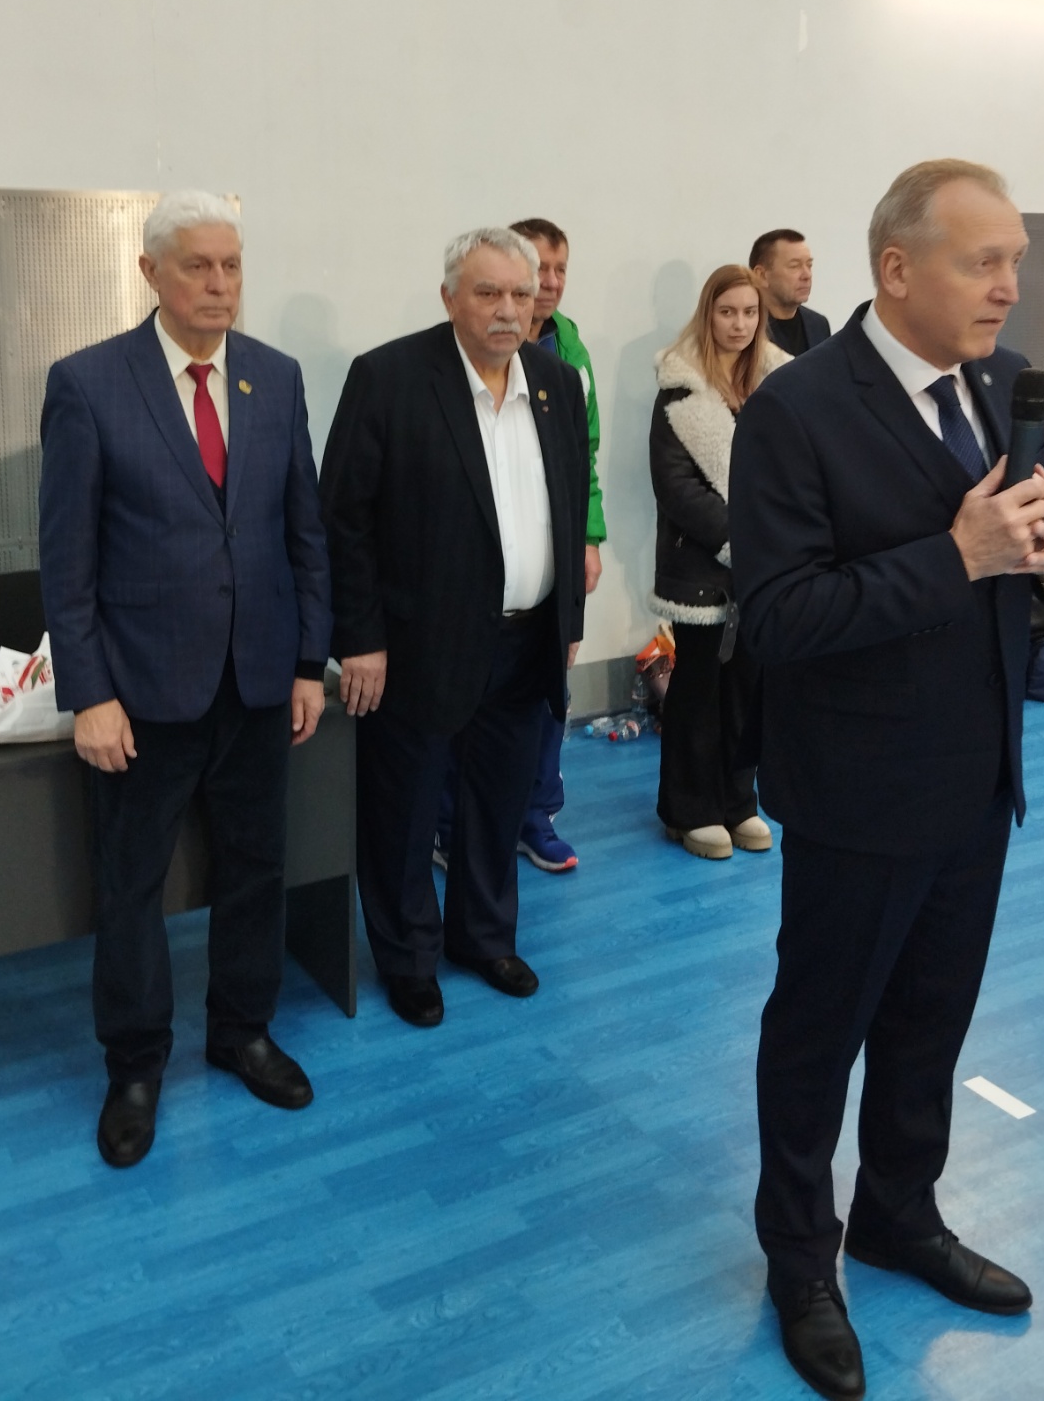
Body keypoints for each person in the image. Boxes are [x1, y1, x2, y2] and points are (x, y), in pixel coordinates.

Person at [730, 160, 1044, 1399]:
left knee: (931, 1020)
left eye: (1014, 261)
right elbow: (776, 618)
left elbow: (1012, 559)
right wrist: (956, 556)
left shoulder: (999, 383)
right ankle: (797, 1259)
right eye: (982, 262)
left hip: (976, 781)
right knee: (817, 1035)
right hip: (856, 792)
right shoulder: (795, 410)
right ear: (894, 270)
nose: (1007, 286)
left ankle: (896, 1211)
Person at [38, 190, 332, 1169]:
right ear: (150, 273)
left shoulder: (274, 377)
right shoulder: (88, 384)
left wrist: (307, 662)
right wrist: (89, 693)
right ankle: (134, 1064)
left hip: (257, 682)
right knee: (131, 886)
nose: (219, 284)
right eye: (198, 266)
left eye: (231, 265)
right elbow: (65, 561)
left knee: (256, 867)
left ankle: (242, 1031)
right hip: (140, 693)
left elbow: (302, 531)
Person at [319, 228, 589, 1029]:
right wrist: (358, 637)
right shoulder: (389, 378)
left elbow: (568, 505)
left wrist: (566, 620)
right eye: (488, 292)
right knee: (404, 814)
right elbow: (343, 520)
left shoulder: (555, 382)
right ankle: (408, 958)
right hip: (416, 644)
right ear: (448, 298)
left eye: (521, 292)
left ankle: (483, 937)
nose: (508, 309)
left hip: (526, 637)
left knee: (498, 803)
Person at [433, 216, 606, 875]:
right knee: (460, 719)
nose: (545, 286)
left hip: (543, 592)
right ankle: (449, 825)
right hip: (464, 606)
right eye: (494, 291)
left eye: (553, 274)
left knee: (542, 702)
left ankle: (535, 815)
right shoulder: (430, 374)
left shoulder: (569, 359)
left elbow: (582, 462)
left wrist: (587, 538)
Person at [649, 264, 786, 859]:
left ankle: (737, 801)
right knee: (698, 689)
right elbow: (676, 487)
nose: (739, 324)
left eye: (749, 312)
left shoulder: (780, 384)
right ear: (708, 315)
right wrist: (742, 540)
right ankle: (689, 809)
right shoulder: (678, 389)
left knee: (749, 689)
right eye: (727, 311)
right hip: (702, 567)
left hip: (765, 566)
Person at [750, 229, 830, 358]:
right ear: (761, 275)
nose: (807, 275)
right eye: (794, 266)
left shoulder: (818, 324)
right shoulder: (746, 328)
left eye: (809, 265)